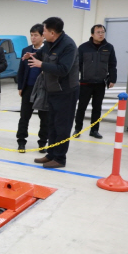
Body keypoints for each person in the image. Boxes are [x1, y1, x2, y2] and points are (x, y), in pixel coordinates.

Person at [25, 17, 80, 168]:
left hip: (66, 92)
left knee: (62, 126)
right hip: (53, 90)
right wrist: (32, 56)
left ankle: (60, 158)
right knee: (52, 125)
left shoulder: (68, 45)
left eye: (44, 31)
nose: (42, 34)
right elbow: (42, 54)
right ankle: (51, 154)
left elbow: (63, 69)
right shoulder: (49, 43)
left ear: (52, 32)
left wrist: (41, 64)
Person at [74, 24, 117, 139]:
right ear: (92, 34)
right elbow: (77, 64)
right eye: (98, 32)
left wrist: (112, 79)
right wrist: (75, 79)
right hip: (85, 83)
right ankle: (77, 129)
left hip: (100, 83)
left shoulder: (109, 47)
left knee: (97, 108)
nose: (101, 34)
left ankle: (94, 130)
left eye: (102, 32)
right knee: (81, 107)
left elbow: (112, 64)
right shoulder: (83, 47)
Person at [16, 24, 48, 153]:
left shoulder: (47, 50)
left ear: (42, 36)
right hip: (28, 87)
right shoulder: (26, 50)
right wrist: (20, 86)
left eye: (36, 35)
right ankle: (21, 141)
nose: (33, 38)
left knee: (44, 118)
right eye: (31, 35)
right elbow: (21, 70)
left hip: (43, 89)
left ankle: (42, 143)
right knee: (24, 116)